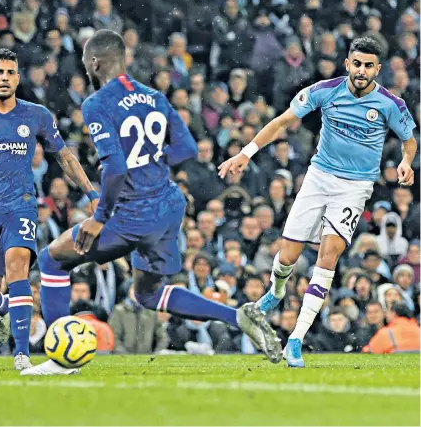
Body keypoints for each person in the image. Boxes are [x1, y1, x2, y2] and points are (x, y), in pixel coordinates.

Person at [22, 29, 280, 375]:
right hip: (168, 206)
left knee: (52, 260)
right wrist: (151, 162)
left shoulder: (97, 103)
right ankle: (237, 316)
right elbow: (187, 148)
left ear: (94, 63)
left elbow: (114, 167)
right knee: (147, 295)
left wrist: (99, 217)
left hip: (132, 210)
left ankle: (60, 361)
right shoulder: (154, 96)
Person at [219, 37, 417, 368]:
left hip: (355, 187)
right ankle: (276, 292)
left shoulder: (390, 104)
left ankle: (295, 339)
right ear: (347, 64)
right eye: (357, 63)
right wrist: (245, 153)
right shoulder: (324, 90)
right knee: (287, 255)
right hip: (318, 177)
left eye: (369, 65)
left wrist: (406, 161)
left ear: (377, 70)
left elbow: (409, 142)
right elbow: (283, 121)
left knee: (329, 255)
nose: (362, 70)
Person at [0, 49, 99, 370]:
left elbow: (65, 156)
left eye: (10, 72)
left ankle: (22, 353)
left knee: (17, 268)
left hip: (21, 205)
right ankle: (4, 309)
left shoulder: (36, 115)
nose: (4, 78)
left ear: (18, 78)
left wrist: (92, 193)